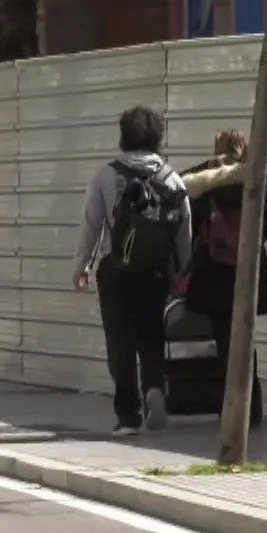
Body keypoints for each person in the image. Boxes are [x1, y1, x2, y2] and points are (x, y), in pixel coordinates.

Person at [71, 105, 192, 436]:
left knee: (120, 342)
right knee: (152, 336)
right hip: (154, 272)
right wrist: (182, 271)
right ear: (158, 137)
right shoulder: (172, 178)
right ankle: (154, 386)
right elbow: (184, 230)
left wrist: (81, 265)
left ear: (124, 135)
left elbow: (91, 224)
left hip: (115, 270)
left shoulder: (106, 175)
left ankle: (128, 417)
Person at [180, 129, 267, 429]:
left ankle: (236, 409)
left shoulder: (207, 185)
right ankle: (254, 406)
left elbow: (194, 225)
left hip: (217, 275)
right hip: (250, 273)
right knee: (245, 341)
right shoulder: (258, 180)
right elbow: (264, 231)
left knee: (226, 342)